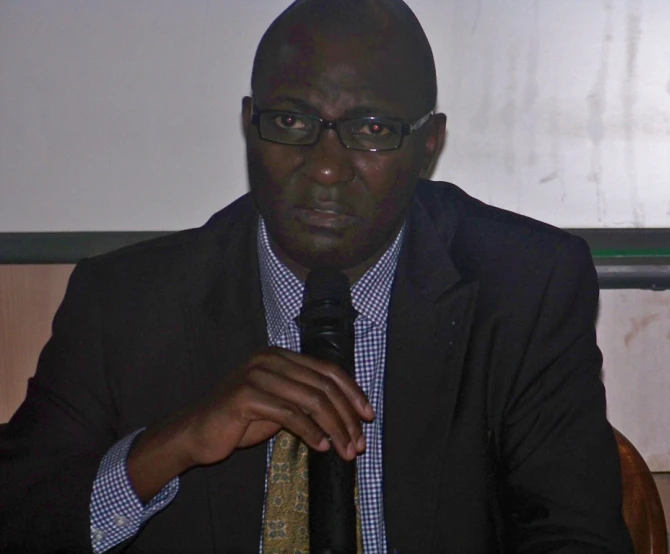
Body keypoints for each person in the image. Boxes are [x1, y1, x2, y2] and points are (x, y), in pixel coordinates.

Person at [0, 0, 633, 552]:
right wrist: (170, 446)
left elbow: (575, 536)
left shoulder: (523, 288)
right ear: (251, 124)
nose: (326, 168)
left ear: (428, 146)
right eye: (293, 122)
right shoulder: (126, 306)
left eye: (372, 130)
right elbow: (17, 517)